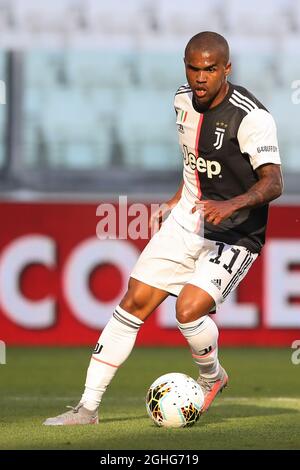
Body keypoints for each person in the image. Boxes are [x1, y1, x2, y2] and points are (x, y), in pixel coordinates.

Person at [44, 31, 283, 425]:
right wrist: (176, 200)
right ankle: (87, 407)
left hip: (236, 233)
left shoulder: (251, 117)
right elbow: (194, 161)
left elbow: (274, 182)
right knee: (134, 300)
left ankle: (211, 378)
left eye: (210, 69)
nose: (200, 77)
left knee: (187, 311)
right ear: (185, 66)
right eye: (193, 67)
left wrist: (232, 205)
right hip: (188, 219)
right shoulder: (181, 100)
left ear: (227, 69)